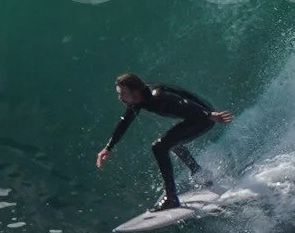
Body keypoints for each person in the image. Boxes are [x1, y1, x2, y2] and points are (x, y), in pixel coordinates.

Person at [97, 73, 233, 210]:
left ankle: (171, 198)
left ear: (135, 91)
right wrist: (108, 148)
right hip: (197, 117)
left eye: (123, 93)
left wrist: (209, 115)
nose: (120, 98)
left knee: (159, 147)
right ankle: (199, 173)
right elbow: (124, 122)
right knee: (169, 143)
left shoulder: (158, 96)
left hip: (203, 117)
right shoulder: (138, 100)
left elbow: (183, 102)